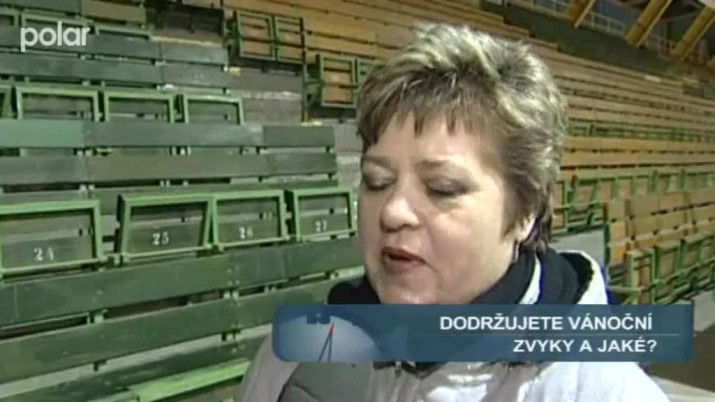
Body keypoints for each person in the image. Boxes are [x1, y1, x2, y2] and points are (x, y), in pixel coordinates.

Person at [237, 24, 669, 402]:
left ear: (526, 212)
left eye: (441, 188)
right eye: (377, 181)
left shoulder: (605, 392)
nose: (393, 211)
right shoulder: (295, 355)